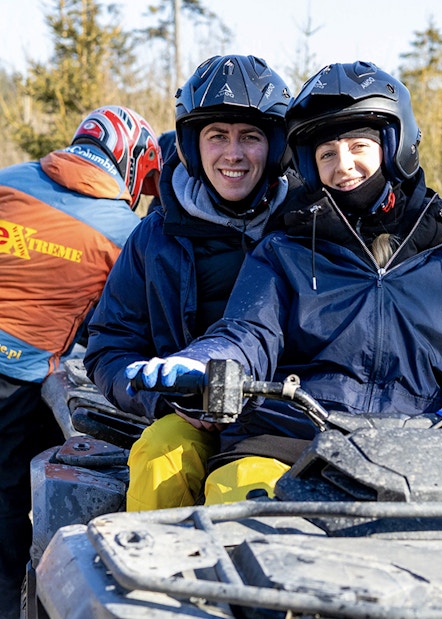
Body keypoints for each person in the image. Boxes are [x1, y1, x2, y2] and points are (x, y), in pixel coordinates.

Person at [125, 60, 442, 506]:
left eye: (359, 146)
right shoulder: (285, 248)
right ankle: (160, 574)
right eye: (327, 154)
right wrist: (205, 360)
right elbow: (249, 331)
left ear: (394, 145)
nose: (344, 166)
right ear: (309, 164)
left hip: (417, 444)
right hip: (293, 434)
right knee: (235, 495)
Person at [83, 54, 297, 512]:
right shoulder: (155, 237)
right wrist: (164, 397)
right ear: (191, 146)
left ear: (277, 146)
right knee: (160, 458)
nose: (233, 154)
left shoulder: (307, 227)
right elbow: (108, 345)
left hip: (284, 414)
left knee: (249, 493)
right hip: (188, 417)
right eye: (217, 136)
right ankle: (150, 580)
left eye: (251, 137)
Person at [0, 104, 161, 619]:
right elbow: (115, 325)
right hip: (23, 385)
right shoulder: (125, 232)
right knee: (10, 508)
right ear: (131, 162)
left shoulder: (8, 182)